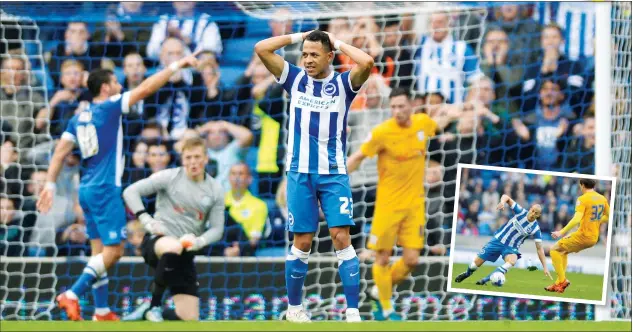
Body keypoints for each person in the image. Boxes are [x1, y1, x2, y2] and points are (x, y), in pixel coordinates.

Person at [36, 52, 200, 321]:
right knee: (115, 252)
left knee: (98, 252)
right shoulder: (109, 106)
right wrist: (177, 64)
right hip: (105, 189)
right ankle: (73, 294)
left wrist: (50, 185)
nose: (120, 86)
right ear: (105, 88)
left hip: (86, 189)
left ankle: (101, 311)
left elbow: (59, 152)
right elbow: (146, 88)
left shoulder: (79, 117)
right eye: (116, 82)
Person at [254, 29, 374, 323]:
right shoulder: (294, 79)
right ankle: (294, 309)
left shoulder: (344, 84)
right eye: (304, 54)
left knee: (341, 237)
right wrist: (299, 36)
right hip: (299, 173)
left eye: (314, 55)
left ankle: (353, 312)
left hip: (334, 174)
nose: (307, 60)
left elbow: (368, 62)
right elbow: (261, 48)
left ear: (330, 56)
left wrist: (339, 41)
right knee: (303, 241)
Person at [346, 88, 438, 320]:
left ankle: (379, 290)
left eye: (401, 106)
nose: (397, 111)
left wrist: (459, 111)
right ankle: (387, 310)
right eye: (393, 107)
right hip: (387, 207)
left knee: (411, 260)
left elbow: (440, 123)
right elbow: (358, 157)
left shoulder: (422, 123)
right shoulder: (381, 132)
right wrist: (332, 181)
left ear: (411, 106)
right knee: (383, 258)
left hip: (415, 206)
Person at [121, 137, 225, 321]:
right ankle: (154, 304)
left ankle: (147, 313)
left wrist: (199, 241)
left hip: (186, 250)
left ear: (206, 158)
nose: (193, 162)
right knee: (173, 246)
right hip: (158, 241)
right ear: (183, 159)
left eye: (197, 157)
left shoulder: (215, 189)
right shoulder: (169, 177)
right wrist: (147, 221)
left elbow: (217, 229)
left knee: (188, 317)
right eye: (188, 158)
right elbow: (130, 192)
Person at [454, 194, 551, 285]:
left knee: (513, 260)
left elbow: (539, 249)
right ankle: (467, 274)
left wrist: (545, 267)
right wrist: (502, 202)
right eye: (533, 210)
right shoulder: (521, 211)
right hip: (498, 240)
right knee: (474, 266)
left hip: (511, 248)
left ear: (538, 215)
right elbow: (506, 197)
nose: (533, 214)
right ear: (530, 209)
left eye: (536, 213)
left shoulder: (535, 229)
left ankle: (486, 279)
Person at [547, 178, 610, 293]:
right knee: (563, 251)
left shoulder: (582, 199)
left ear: (582, 185)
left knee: (553, 250)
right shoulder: (602, 198)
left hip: (583, 236)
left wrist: (561, 232)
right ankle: (558, 284)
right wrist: (596, 220)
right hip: (593, 238)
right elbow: (609, 216)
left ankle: (562, 281)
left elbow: (576, 219)